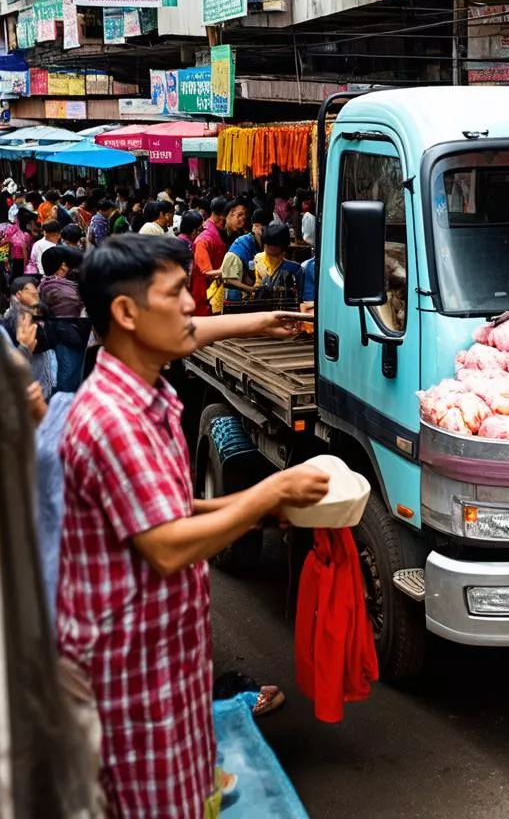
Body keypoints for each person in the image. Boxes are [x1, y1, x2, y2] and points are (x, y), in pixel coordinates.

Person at [57, 234, 330, 816]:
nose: (193, 306)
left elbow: (170, 510)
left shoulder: (141, 380)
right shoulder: (113, 419)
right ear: (127, 313)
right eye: (177, 293)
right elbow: (166, 545)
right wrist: (268, 493)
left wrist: (259, 323)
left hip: (165, 662)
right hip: (129, 679)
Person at [40, 245, 88, 393]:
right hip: (66, 333)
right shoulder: (59, 288)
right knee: (69, 374)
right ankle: (63, 407)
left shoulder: (49, 283)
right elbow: (81, 300)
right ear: (62, 266)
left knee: (70, 371)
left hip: (67, 332)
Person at [222, 206, 270, 302]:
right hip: (235, 298)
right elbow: (229, 280)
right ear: (255, 226)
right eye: (263, 227)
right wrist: (251, 289)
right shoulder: (240, 246)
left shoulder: (263, 244)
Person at [191, 197, 229, 316]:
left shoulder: (215, 232)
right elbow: (205, 272)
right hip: (206, 296)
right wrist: (227, 272)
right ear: (223, 215)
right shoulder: (205, 238)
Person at [254, 221, 302, 304]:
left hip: (285, 307)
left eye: (273, 244)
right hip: (262, 305)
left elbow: (298, 294)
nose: (269, 246)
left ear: (282, 246)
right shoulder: (258, 259)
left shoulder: (294, 268)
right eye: (267, 243)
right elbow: (257, 283)